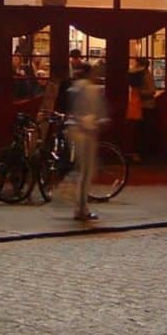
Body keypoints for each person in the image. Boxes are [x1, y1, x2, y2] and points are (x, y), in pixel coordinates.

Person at [69, 63, 111, 221]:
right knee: (86, 172)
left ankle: (80, 207)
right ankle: (81, 209)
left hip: (75, 130)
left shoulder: (74, 88)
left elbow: (72, 109)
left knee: (82, 170)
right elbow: (99, 111)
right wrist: (100, 120)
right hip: (86, 132)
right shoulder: (91, 89)